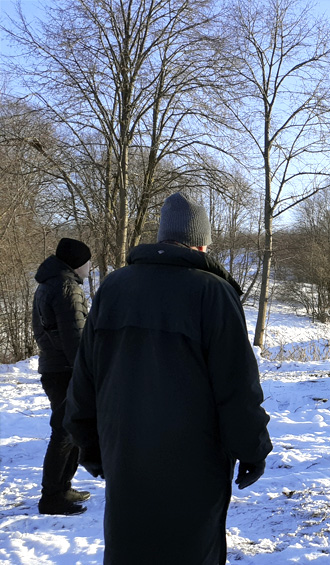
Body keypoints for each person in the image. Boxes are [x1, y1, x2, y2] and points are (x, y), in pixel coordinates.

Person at [64, 192, 272, 564]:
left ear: (161, 237)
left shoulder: (114, 288)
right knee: (190, 550)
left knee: (131, 550)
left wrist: (90, 445)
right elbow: (237, 388)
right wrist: (252, 449)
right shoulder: (213, 293)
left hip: (125, 455)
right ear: (201, 241)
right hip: (194, 462)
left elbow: (84, 380)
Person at [31, 237, 93, 516]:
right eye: (87, 261)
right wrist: (87, 372)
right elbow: (76, 338)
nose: (90, 266)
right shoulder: (67, 288)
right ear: (76, 263)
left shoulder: (49, 284)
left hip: (54, 368)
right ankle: (51, 497)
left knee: (69, 431)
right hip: (67, 372)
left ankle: (62, 487)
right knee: (64, 433)